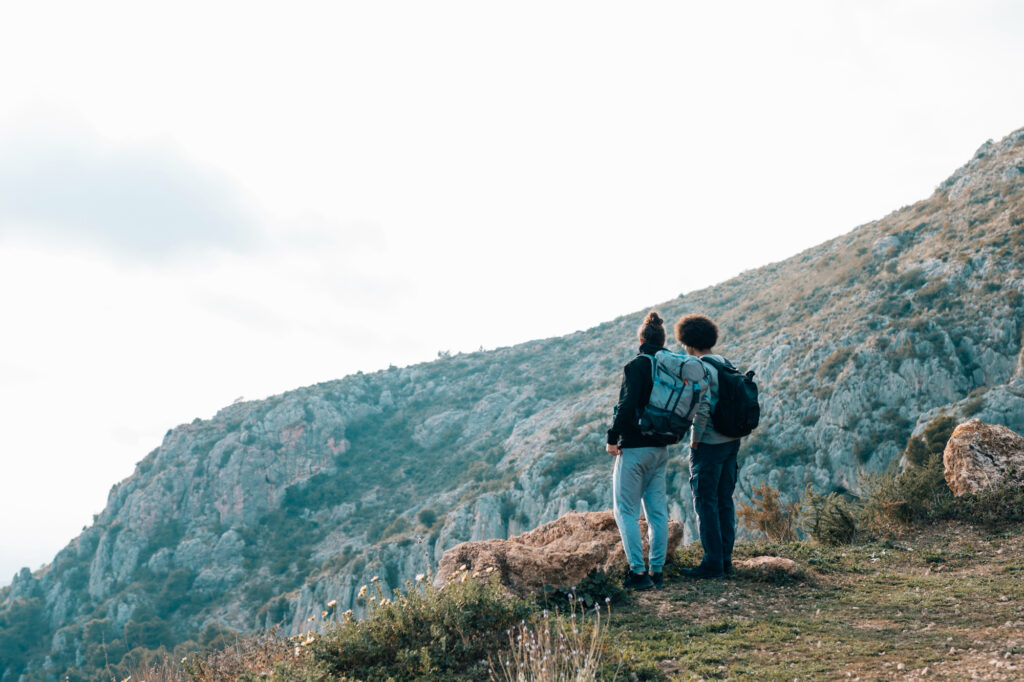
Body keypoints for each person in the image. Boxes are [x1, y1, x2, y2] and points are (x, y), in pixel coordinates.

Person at [606, 311, 671, 590]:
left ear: (642, 339)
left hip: (634, 449)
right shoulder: (671, 366)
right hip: (661, 449)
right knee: (657, 513)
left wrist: (612, 437)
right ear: (663, 339)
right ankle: (657, 571)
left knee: (626, 511)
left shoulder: (636, 366)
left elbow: (626, 405)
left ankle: (638, 573)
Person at [675, 314, 742, 578]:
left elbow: (702, 407)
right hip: (732, 441)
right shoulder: (725, 362)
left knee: (705, 501)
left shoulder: (700, 366)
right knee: (725, 500)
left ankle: (712, 563)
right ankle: (725, 559)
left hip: (710, 444)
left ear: (688, 342)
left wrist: (695, 441)